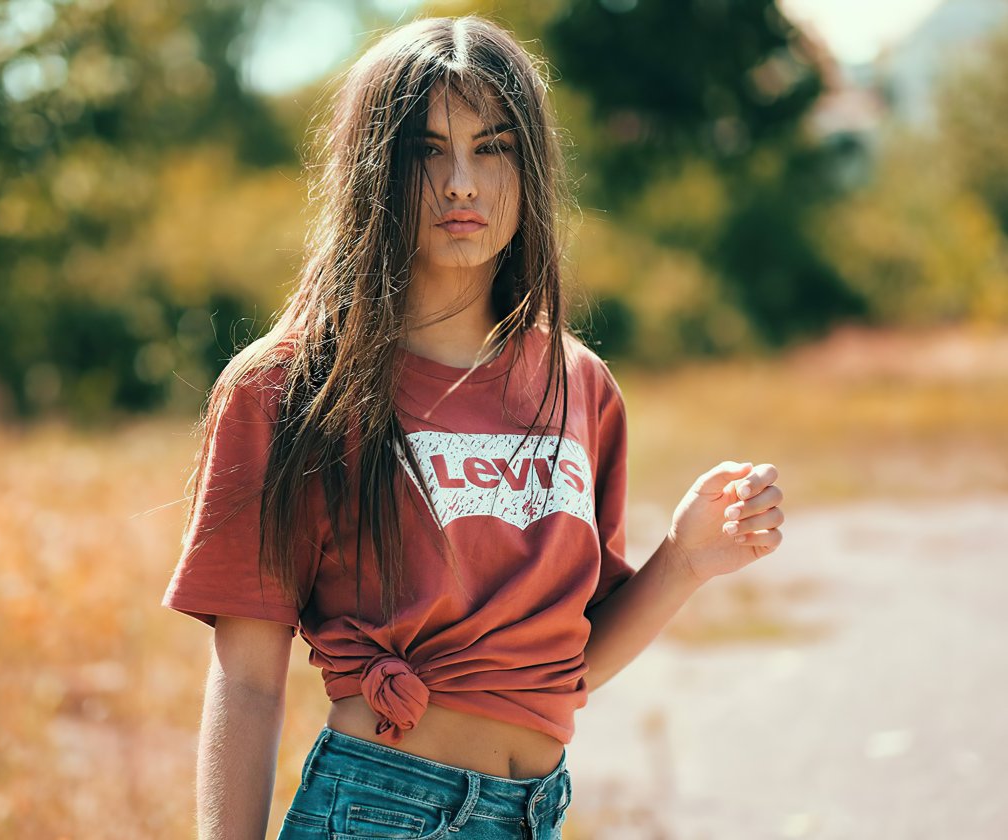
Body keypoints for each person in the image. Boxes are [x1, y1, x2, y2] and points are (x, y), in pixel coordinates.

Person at [162, 14, 785, 840]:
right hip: (378, 809)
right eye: (426, 150)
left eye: (492, 147)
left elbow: (557, 676)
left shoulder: (579, 386)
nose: (463, 182)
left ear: (530, 171)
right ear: (374, 172)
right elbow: (246, 677)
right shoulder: (290, 387)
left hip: (534, 815)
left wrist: (683, 562)